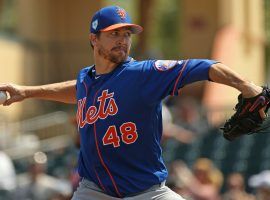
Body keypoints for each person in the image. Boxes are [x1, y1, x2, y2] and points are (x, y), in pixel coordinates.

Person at [0, 5, 265, 200]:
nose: (123, 40)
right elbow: (79, 90)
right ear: (94, 39)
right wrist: (27, 91)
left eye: (127, 34)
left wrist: (247, 86)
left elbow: (205, 67)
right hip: (94, 191)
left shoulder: (143, 74)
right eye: (114, 34)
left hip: (146, 192)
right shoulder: (86, 79)